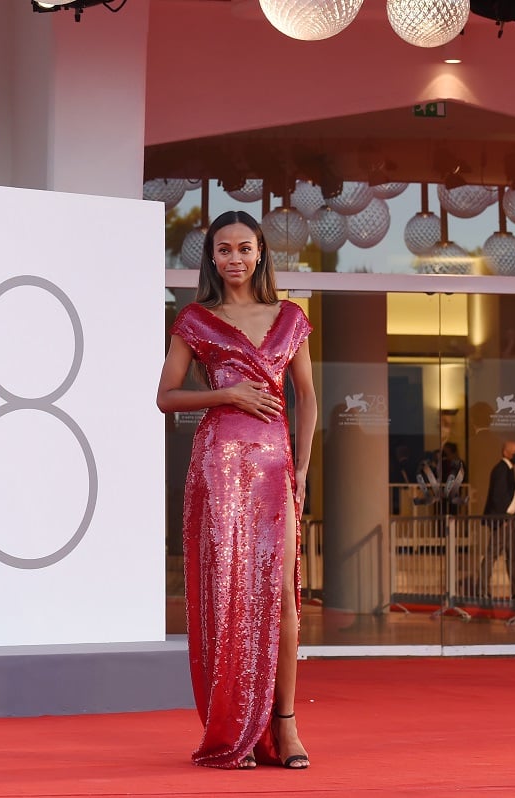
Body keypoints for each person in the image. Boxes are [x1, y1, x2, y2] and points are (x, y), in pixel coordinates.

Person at [156, 210, 317, 770]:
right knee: (229, 600)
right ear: (212, 258)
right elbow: (165, 397)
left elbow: (308, 398)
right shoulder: (197, 320)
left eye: (244, 248)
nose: (234, 259)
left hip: (276, 468)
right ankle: (233, 730)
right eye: (223, 250)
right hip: (219, 470)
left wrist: (301, 470)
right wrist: (227, 396)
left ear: (261, 252)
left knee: (282, 602)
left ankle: (286, 726)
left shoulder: (291, 317)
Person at [479, 441, 515, 603]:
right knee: (492, 554)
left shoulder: (508, 469)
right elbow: (498, 496)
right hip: (503, 521)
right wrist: (503, 517)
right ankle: (483, 590)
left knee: (514, 556)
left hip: (510, 520)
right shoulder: (501, 469)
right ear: (506, 452)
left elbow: (506, 494)